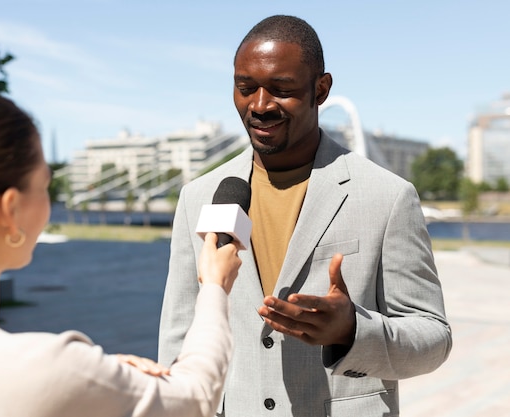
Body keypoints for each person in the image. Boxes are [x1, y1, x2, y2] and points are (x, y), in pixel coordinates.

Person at [0, 86, 242, 417]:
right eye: (45, 184)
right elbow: (194, 398)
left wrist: (96, 383)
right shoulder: (45, 369)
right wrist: (214, 287)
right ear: (9, 210)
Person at [158, 15, 452, 417]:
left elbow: (433, 339)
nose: (259, 106)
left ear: (321, 89)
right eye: (245, 88)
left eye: (281, 89)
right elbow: (178, 338)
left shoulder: (388, 196)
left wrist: (352, 331)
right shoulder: (198, 197)